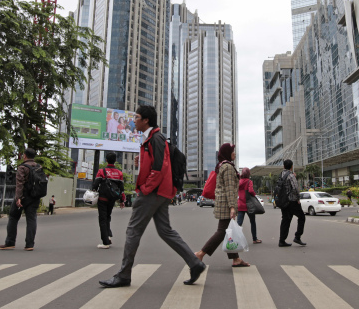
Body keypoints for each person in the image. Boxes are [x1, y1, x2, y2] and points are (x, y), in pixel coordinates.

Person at [99, 105, 205, 288]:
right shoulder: (150, 138)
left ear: (146, 120)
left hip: (153, 192)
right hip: (161, 192)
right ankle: (195, 263)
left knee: (133, 230)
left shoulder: (156, 138)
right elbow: (155, 163)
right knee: (165, 231)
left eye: (137, 117)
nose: (134, 120)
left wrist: (146, 189)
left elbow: (160, 168)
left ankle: (124, 275)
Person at [194, 143, 250, 267]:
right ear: (227, 153)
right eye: (232, 151)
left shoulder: (221, 166)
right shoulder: (228, 167)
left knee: (228, 230)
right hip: (226, 204)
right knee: (222, 231)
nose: (234, 153)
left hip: (222, 202)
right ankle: (201, 253)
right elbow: (230, 189)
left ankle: (235, 259)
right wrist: (232, 207)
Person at [0, 148, 41, 251]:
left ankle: (10, 242)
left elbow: (19, 184)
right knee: (31, 219)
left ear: (25, 156)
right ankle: (29, 244)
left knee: (13, 217)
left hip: (24, 196)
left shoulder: (22, 167)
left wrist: (18, 198)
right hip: (35, 197)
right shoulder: (39, 167)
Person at [92, 152, 126, 249]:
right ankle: (108, 235)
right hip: (112, 199)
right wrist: (122, 201)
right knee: (108, 217)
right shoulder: (119, 173)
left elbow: (95, 185)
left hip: (102, 199)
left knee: (102, 219)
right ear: (115, 160)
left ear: (106, 160)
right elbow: (121, 189)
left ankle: (105, 242)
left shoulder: (101, 171)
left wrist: (93, 191)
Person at [278, 159, 306, 247]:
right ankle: (297, 236)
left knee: (285, 220)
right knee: (302, 217)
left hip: (283, 201)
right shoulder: (291, 175)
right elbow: (295, 188)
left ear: (283, 166)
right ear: (291, 167)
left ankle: (281, 241)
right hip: (292, 201)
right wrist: (298, 198)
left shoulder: (281, 175)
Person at [237, 167, 262, 244]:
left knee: (239, 223)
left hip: (240, 204)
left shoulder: (239, 181)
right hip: (249, 205)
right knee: (252, 222)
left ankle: (236, 239)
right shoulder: (249, 181)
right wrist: (254, 195)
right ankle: (254, 239)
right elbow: (251, 190)